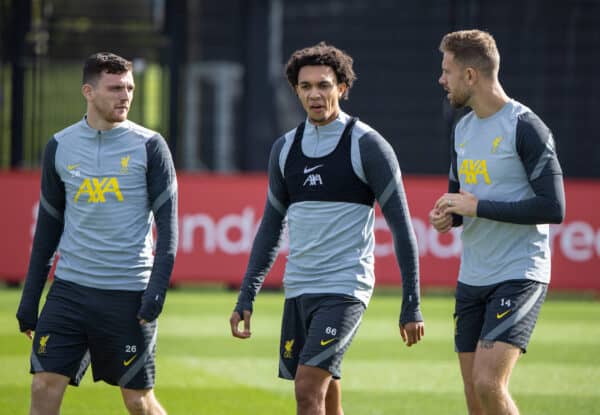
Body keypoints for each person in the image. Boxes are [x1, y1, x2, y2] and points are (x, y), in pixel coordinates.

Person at [229, 41, 425, 415]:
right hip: (300, 286)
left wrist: (411, 303)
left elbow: (402, 228)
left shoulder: (368, 145)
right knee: (327, 386)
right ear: (296, 91)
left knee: (306, 389)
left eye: (324, 85)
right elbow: (270, 229)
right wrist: (246, 296)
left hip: (345, 287)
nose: (315, 94)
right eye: (306, 87)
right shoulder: (285, 149)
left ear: (342, 88)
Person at [16, 52, 178, 415]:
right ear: (88, 91)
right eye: (116, 88)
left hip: (128, 295)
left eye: (130, 88)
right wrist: (30, 299)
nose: (126, 96)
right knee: (43, 386)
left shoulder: (151, 146)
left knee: (138, 402)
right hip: (70, 292)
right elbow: (48, 229)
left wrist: (156, 290)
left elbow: (169, 230)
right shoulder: (60, 145)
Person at [430, 30, 565, 415]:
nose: (442, 79)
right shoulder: (463, 129)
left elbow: (553, 208)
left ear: (470, 75)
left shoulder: (525, 127)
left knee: (489, 384)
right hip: (472, 276)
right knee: (476, 398)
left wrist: (477, 207)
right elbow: (462, 202)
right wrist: (448, 216)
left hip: (519, 271)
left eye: (447, 70)